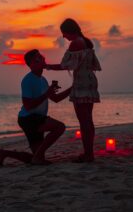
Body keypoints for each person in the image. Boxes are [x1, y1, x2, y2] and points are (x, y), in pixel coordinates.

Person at [0, 49, 71, 167]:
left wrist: (72, 89)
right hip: (29, 118)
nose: (42, 59)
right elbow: (28, 105)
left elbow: (56, 99)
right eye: (38, 58)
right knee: (59, 127)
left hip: (36, 118)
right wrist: (46, 94)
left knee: (35, 157)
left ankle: (3, 153)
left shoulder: (43, 80)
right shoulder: (28, 80)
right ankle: (37, 156)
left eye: (42, 57)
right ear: (31, 64)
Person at [44, 18, 102, 162]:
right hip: (89, 81)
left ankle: (88, 155)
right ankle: (89, 153)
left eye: (64, 33)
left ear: (70, 31)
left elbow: (65, 65)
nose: (64, 37)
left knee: (84, 121)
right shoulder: (87, 42)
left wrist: (48, 66)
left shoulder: (76, 43)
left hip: (81, 83)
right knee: (88, 119)